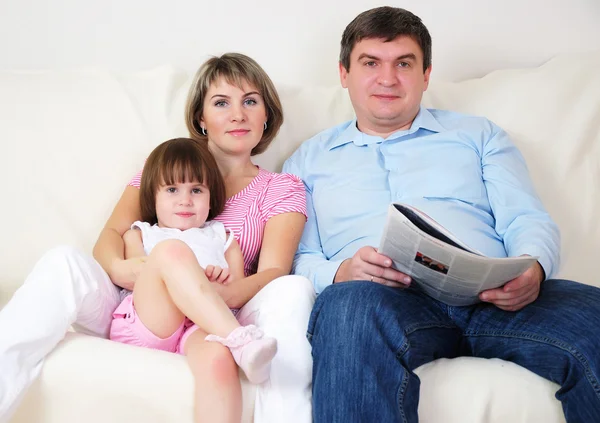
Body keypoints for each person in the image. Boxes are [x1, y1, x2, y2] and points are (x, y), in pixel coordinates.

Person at [283, 6, 600, 423]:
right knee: (348, 307)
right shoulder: (305, 161)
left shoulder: (478, 136)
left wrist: (534, 269)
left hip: (494, 299)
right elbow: (296, 260)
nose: (388, 78)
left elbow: (527, 219)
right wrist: (340, 273)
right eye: (370, 63)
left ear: (426, 74)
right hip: (381, 303)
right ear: (344, 73)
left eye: (404, 63)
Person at [0, 53, 315, 423]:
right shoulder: (167, 167)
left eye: (250, 101)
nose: (238, 114)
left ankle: (264, 381)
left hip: (221, 310)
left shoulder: (281, 187)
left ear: (267, 115)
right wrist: (124, 269)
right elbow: (112, 235)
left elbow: (274, 270)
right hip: (144, 302)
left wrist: (217, 295)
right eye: (221, 103)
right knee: (62, 261)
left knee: (294, 288)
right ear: (201, 118)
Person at [110, 138, 279, 416]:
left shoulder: (224, 238)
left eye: (197, 190)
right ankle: (242, 342)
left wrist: (218, 283)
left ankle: (233, 346)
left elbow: (235, 294)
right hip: (153, 322)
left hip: (200, 327)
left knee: (218, 360)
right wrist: (182, 272)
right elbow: (135, 279)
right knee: (170, 252)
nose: (185, 200)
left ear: (211, 196)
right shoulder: (140, 234)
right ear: (152, 196)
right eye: (172, 189)